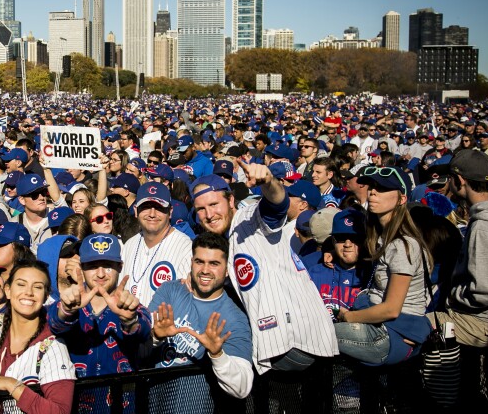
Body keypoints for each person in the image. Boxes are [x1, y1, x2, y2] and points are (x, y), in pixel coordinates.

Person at [190, 166, 339, 373]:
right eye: (201, 209)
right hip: (281, 345)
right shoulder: (223, 240)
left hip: (296, 340)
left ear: (231, 201)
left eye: (214, 204)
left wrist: (268, 181)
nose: (209, 214)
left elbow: (277, 204)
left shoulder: (249, 218)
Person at [333, 166, 433, 366]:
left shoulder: (403, 245)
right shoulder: (382, 238)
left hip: (389, 333)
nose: (373, 192)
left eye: (383, 188)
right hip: (382, 327)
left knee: (314, 336)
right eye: (372, 187)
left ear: (402, 199)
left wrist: (349, 317)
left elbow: (391, 309)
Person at [150, 232, 253, 404]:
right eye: (199, 262)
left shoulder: (234, 319)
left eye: (214, 264)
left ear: (227, 270)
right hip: (151, 399)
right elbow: (138, 345)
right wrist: (155, 336)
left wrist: (217, 354)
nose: (205, 270)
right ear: (191, 263)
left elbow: (242, 388)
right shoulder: (171, 290)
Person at [0, 260, 75, 414]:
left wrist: (12, 385)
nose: (29, 292)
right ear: (7, 290)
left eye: (38, 287)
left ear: (46, 295)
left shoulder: (53, 346)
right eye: (21, 284)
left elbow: (60, 411)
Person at [48, 233, 151, 378]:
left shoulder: (130, 305)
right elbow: (53, 323)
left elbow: (144, 330)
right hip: (76, 396)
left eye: (108, 265)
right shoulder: (69, 300)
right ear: (82, 267)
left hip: (120, 397)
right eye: (92, 266)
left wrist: (129, 320)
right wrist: (66, 311)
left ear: (120, 267)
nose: (101, 274)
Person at [430, 150, 488, 346]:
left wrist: (452, 297)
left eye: (450, 178)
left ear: (459, 180)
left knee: (417, 327)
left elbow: (485, 292)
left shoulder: (484, 226)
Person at [120, 182, 193, 307]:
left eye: (159, 207)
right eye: (146, 207)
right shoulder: (129, 244)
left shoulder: (185, 247)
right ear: (136, 210)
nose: (152, 214)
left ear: (170, 212)